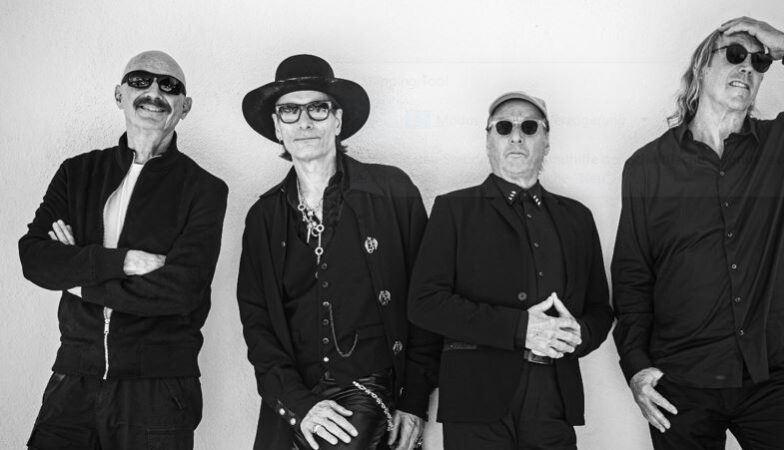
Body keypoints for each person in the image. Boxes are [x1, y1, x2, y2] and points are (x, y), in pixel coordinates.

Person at [612, 17, 784, 449]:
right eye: (735, 55)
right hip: (680, 382)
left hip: (767, 376)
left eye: (760, 62)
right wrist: (636, 366)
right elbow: (633, 276)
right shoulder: (647, 167)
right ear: (702, 67)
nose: (747, 67)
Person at [18, 50, 229, 449]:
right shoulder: (77, 173)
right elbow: (35, 258)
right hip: (73, 381)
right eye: (140, 81)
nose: (154, 92)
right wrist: (123, 262)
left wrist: (77, 277)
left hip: (158, 390)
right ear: (119, 95)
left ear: (185, 107)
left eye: (169, 86)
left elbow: (181, 290)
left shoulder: (205, 190)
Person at [237, 54, 441, 450]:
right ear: (277, 127)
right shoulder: (263, 217)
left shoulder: (392, 191)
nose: (305, 122)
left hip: (371, 392)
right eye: (290, 111)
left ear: (338, 120)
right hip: (297, 401)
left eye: (317, 108)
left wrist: (414, 400)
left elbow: (426, 299)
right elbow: (258, 325)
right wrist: (300, 405)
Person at [408, 91, 614, 450]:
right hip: (476, 399)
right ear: (488, 140)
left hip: (554, 398)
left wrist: (579, 334)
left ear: (546, 141)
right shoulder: (453, 210)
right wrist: (520, 328)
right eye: (504, 127)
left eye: (529, 127)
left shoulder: (578, 218)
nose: (516, 136)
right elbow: (424, 303)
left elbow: (600, 309)